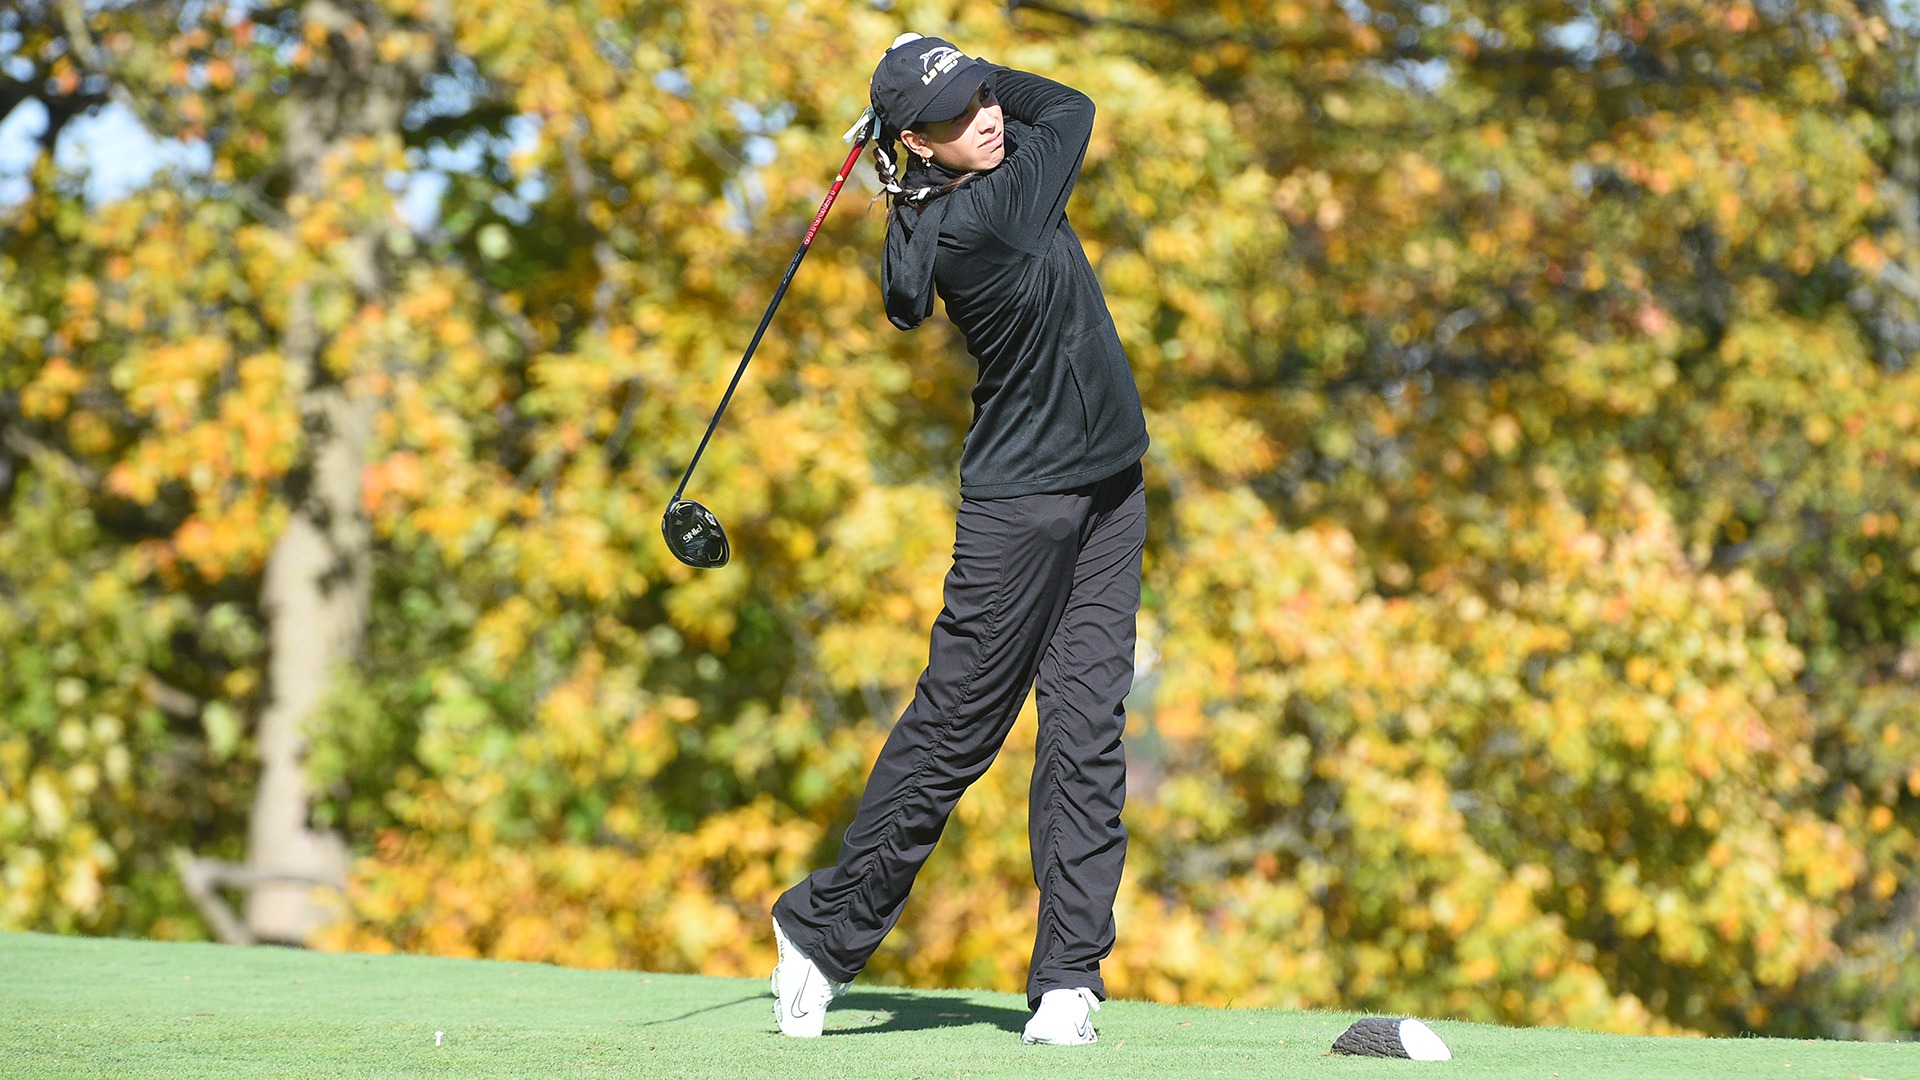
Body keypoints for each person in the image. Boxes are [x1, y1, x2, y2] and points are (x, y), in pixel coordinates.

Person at [769, 33, 1150, 1046]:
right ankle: (818, 935)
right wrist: (979, 69)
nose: (987, 114)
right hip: (1022, 508)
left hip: (1111, 488)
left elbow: (992, 141)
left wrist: (928, 104)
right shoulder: (989, 214)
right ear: (918, 145)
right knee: (958, 729)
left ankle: (1070, 976)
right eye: (955, 114)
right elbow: (1067, 108)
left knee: (1085, 730)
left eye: (984, 95)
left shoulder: (942, 195)